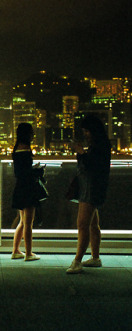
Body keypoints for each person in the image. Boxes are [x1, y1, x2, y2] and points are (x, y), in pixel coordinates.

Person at [66, 115, 111, 274]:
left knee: (82, 224)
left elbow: (92, 165)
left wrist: (81, 152)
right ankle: (95, 257)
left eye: (86, 131)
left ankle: (77, 261)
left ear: (93, 131)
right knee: (93, 224)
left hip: (90, 188)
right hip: (93, 187)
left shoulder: (98, 147)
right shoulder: (102, 144)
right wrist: (82, 153)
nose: (85, 134)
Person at [11, 123, 45, 261]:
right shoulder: (25, 149)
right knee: (28, 223)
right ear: (27, 134)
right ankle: (29, 253)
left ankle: (16, 250)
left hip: (20, 187)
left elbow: (20, 171)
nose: (33, 135)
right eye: (31, 133)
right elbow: (26, 171)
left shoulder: (16, 148)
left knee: (22, 221)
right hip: (28, 188)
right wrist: (38, 170)